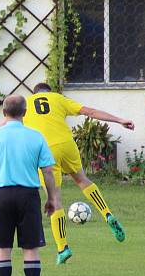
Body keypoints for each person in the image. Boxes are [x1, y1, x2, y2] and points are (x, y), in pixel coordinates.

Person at [24, 83, 134, 265]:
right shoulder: (58, 99)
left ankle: (63, 248)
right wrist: (119, 120)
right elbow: (90, 112)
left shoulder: (26, 103)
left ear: (34, 94)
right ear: (50, 92)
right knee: (82, 180)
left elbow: (11, 125)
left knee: (55, 199)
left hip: (45, 151)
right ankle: (107, 214)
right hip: (66, 145)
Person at [0, 95, 60, 276]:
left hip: (1, 195)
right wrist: (52, 198)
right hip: (28, 195)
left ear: (4, 112)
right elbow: (48, 171)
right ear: (25, 113)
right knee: (30, 248)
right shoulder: (36, 137)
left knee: (3, 248)